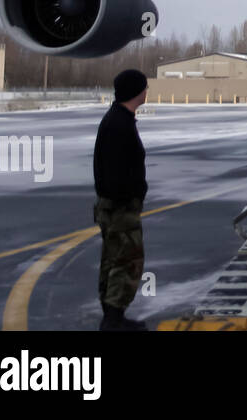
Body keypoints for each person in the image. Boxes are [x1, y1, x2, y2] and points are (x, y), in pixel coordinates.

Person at [93, 69, 150, 331]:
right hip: (120, 207)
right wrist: (130, 197)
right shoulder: (119, 124)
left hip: (114, 205)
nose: (147, 91)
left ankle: (112, 315)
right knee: (127, 260)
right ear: (136, 92)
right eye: (144, 87)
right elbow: (116, 171)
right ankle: (113, 319)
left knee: (114, 259)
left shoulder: (118, 119)